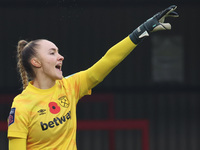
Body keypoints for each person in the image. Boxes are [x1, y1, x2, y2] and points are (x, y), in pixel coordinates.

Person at [7, 5, 178, 150]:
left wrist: (142, 30)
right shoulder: (22, 106)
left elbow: (109, 59)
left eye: (59, 52)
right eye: (52, 53)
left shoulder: (70, 86)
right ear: (36, 62)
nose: (61, 57)